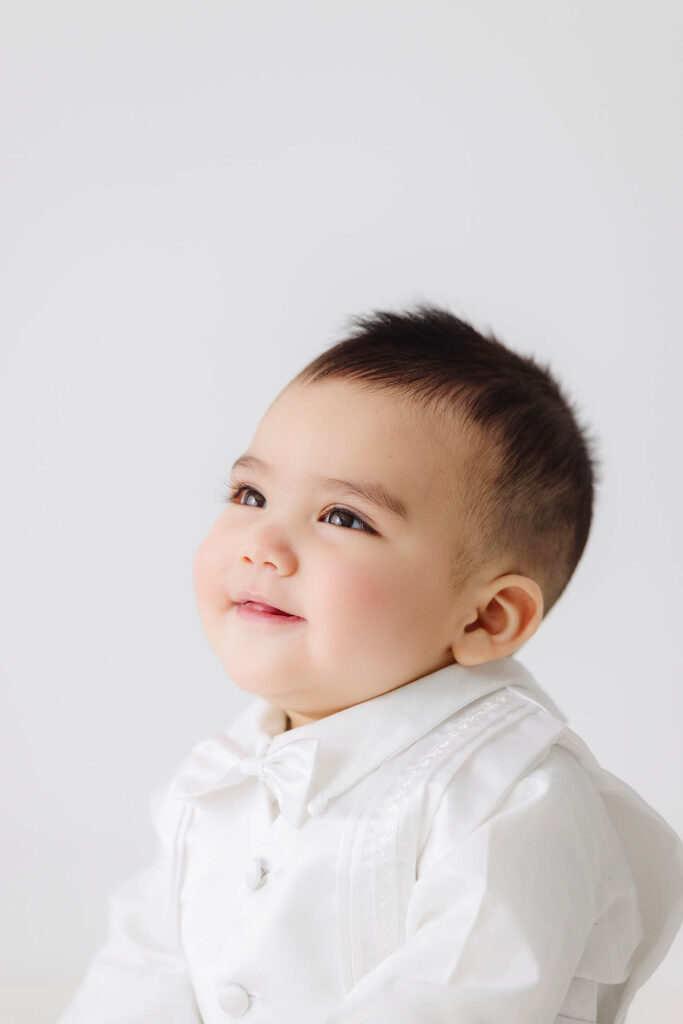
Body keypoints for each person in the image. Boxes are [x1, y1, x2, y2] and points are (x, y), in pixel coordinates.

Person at [57, 306, 683, 1024]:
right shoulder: (217, 780)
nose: (262, 544)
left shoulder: (509, 800)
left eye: (343, 517)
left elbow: (460, 1002)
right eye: (250, 495)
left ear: (485, 618)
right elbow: (141, 974)